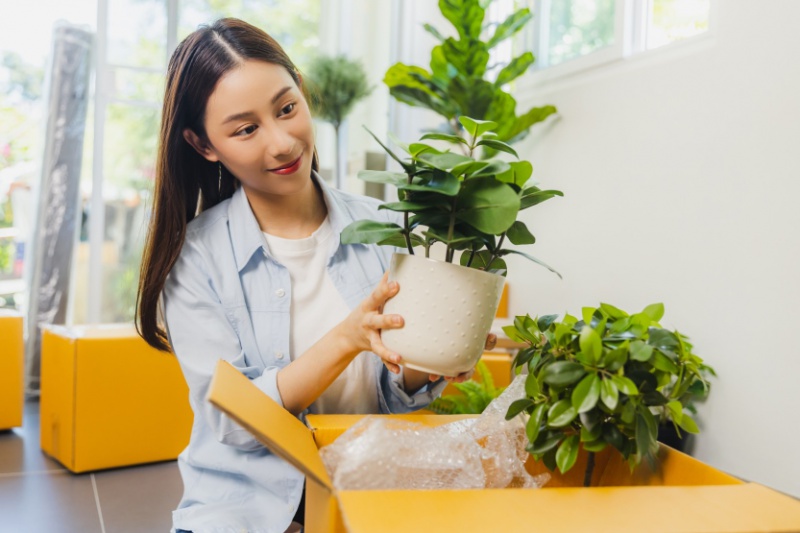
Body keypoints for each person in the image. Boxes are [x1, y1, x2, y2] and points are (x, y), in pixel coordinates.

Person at [135, 18, 494, 533]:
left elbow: (397, 394)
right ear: (203, 144)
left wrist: (428, 360)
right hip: (244, 507)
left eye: (287, 109)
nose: (281, 142)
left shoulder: (387, 227)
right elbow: (231, 422)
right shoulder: (194, 258)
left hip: (368, 488)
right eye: (246, 129)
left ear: (302, 92)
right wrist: (347, 339)